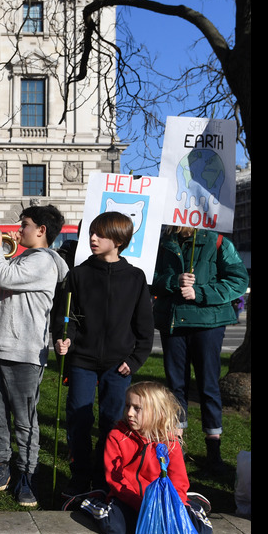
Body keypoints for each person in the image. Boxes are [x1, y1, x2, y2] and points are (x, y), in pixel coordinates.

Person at [52, 211, 154, 500]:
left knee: (113, 421)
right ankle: (80, 475)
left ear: (119, 240)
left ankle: (107, 476)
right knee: (79, 419)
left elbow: (145, 328)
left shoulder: (135, 278)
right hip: (82, 361)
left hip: (118, 365)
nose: (92, 239)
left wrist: (134, 361)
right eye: (91, 233)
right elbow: (65, 316)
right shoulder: (78, 274)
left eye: (101, 234)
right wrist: (65, 339)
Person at [0, 205, 69, 508]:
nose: (18, 231)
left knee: (25, 420)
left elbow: (2, 275)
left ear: (42, 230)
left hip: (26, 350)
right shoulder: (24, 258)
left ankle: (26, 474)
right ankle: (1, 467)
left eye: (25, 225)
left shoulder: (44, 261)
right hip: (0, 345)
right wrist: (0, 254)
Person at [150, 226, 249, 475]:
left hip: (209, 323)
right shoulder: (162, 242)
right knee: (175, 387)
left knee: (208, 386)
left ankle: (213, 453)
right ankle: (177, 449)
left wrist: (201, 292)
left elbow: (238, 279)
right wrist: (173, 281)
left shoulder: (216, 242)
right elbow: (150, 277)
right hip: (173, 322)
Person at [80, 381, 213, 534]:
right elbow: (115, 480)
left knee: (202, 533)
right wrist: (142, 505)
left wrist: (173, 504)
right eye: (127, 406)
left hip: (163, 503)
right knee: (116, 530)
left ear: (158, 412)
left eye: (137, 408)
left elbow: (178, 479)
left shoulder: (170, 442)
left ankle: (193, 506)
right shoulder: (117, 436)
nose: (129, 413)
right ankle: (92, 501)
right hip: (129, 499)